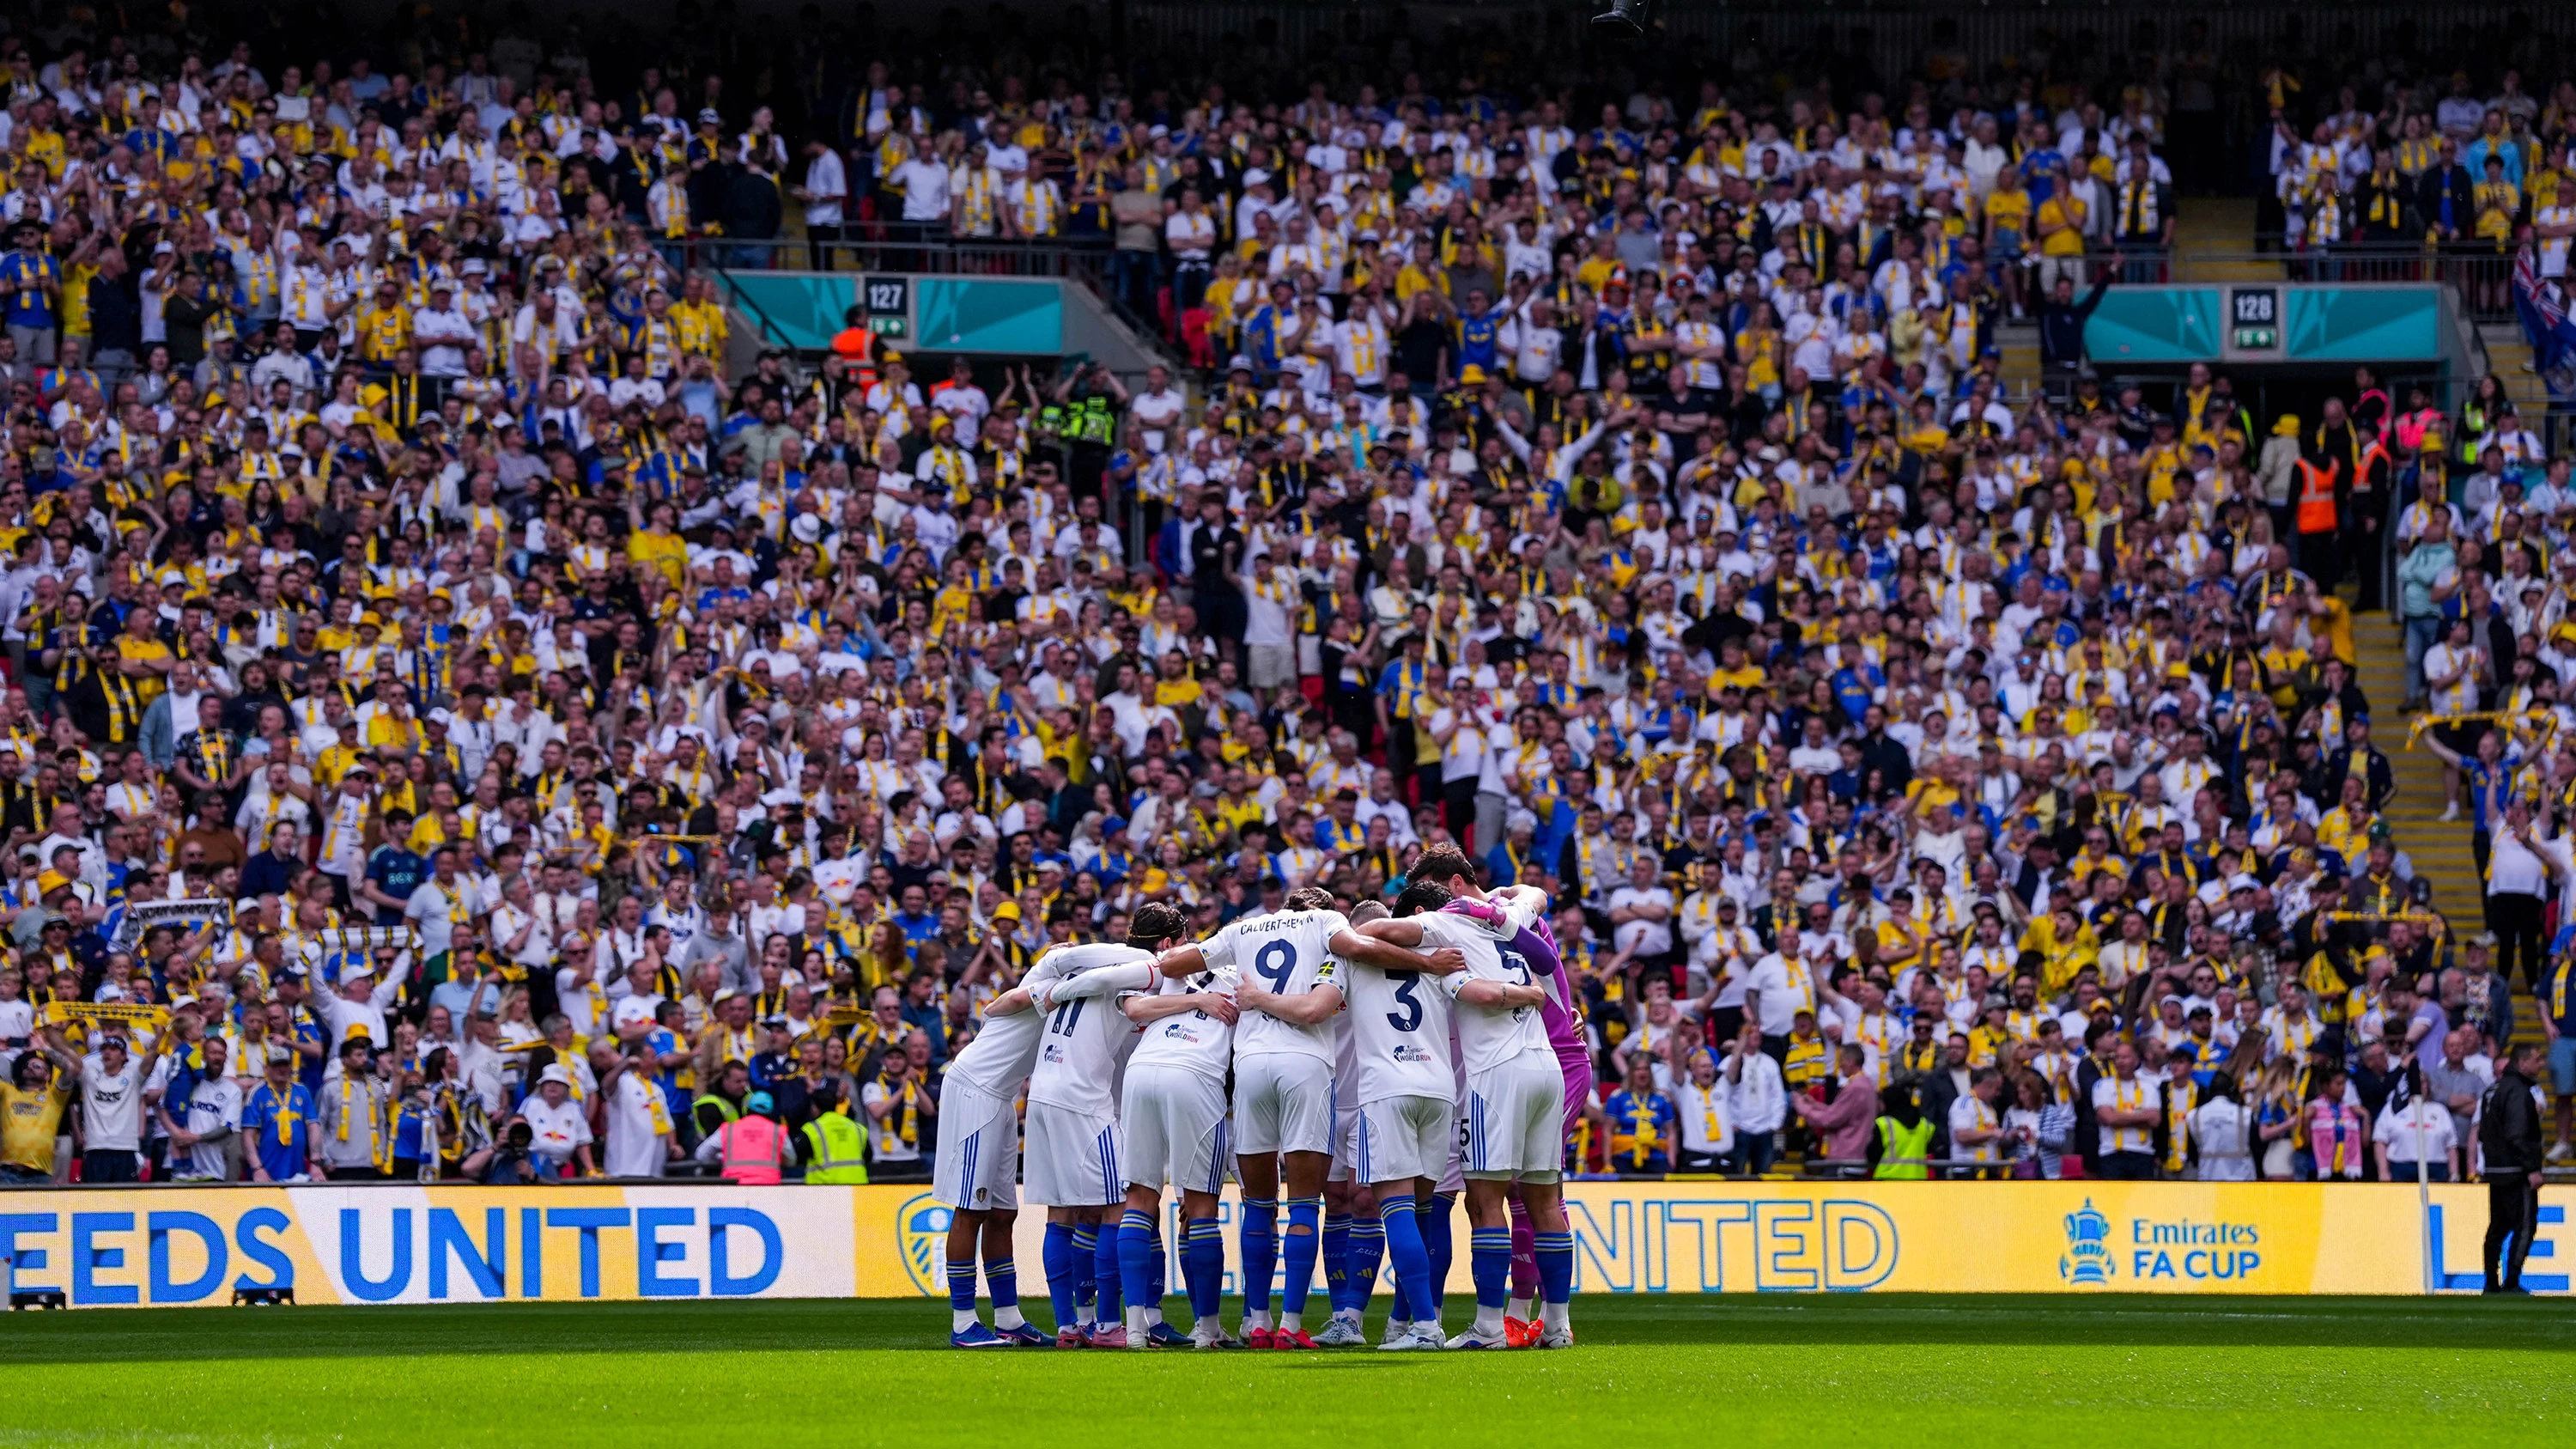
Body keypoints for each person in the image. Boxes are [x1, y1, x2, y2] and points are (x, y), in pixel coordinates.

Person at [1151, 886, 1451, 1349]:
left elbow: (1172, 964)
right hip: (1314, 1069)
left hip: (1252, 1065)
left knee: (1259, 1203)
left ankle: (1257, 1320)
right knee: (1308, 1205)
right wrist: (1429, 962)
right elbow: (1346, 962)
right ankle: (1292, 1323)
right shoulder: (1329, 929)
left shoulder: (1242, 928)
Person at [1113, 899, 1244, 1349]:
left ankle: (1134, 1329)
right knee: (1200, 1205)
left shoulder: (1157, 970)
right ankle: (1207, 1329)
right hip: (1195, 1077)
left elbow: (1131, 1008)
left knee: (1140, 1199)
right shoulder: (1237, 976)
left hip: (1141, 1074)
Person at [2479, 1041, 2548, 1294]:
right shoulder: (2517, 1091)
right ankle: (2511, 1281)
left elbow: (2483, 1131)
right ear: (2522, 1062)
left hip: (2496, 1168)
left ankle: (2490, 1281)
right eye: (2537, 1059)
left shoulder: (2492, 1089)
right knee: (2525, 1224)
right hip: (2515, 1169)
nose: (2541, 1064)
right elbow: (2518, 1134)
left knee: (2497, 1227)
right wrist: (2531, 1168)